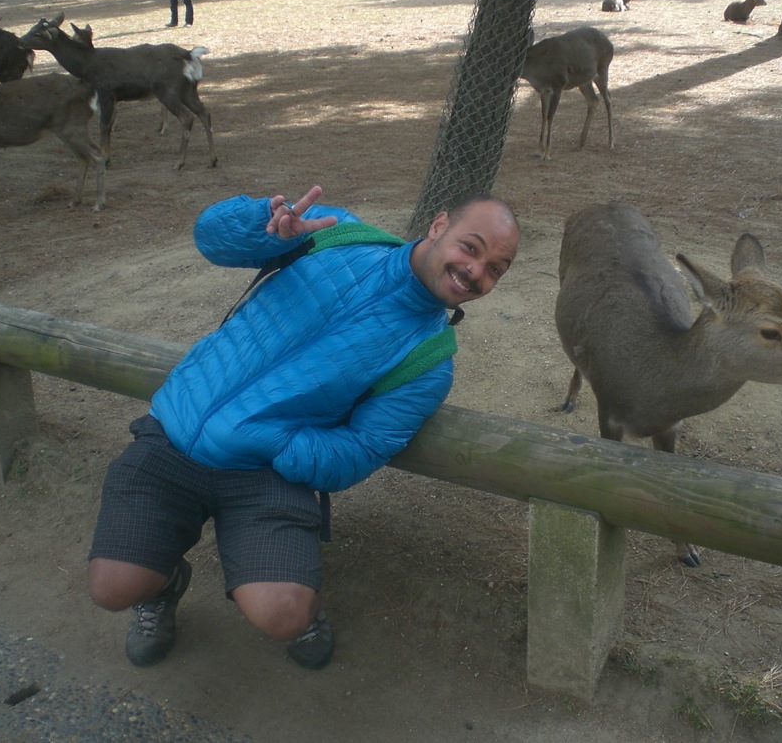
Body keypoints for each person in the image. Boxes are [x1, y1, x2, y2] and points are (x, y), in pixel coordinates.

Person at [87, 185, 520, 671]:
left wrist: (271, 440)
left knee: (283, 614)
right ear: (439, 226)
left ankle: (303, 612)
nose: (476, 272)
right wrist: (263, 226)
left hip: (265, 472)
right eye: (471, 247)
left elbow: (361, 449)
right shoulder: (336, 233)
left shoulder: (429, 360)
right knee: (111, 588)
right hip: (172, 433)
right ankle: (162, 586)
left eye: (495, 270)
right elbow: (209, 237)